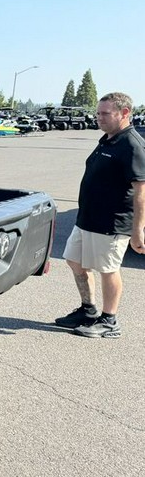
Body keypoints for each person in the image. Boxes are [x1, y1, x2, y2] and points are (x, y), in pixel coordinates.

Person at [55, 92, 145, 337]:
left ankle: (110, 320)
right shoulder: (108, 139)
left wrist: (137, 231)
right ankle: (89, 310)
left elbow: (140, 191)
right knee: (74, 260)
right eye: (98, 113)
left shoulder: (132, 145)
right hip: (88, 219)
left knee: (108, 269)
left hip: (111, 223)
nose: (99, 118)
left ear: (124, 113)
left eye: (105, 113)